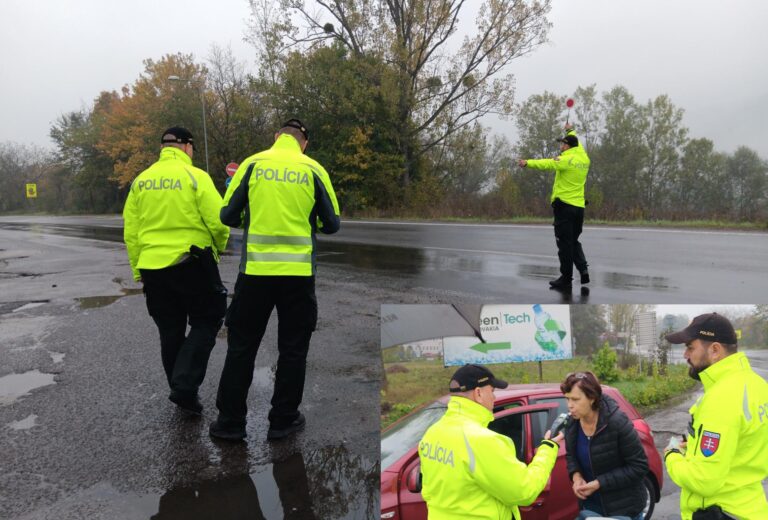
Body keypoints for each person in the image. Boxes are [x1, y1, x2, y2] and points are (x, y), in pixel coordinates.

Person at [209, 119, 340, 441]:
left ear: (276, 137)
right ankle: (283, 420)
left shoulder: (253, 165)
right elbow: (332, 224)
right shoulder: (313, 169)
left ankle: (230, 423)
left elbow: (226, 216)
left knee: (241, 347)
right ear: (303, 143)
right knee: (293, 350)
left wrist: (248, 219)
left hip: (254, 274)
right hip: (298, 277)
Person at [123, 126, 230, 414]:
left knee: (169, 331)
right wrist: (217, 251)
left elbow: (131, 232)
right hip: (191, 263)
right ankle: (184, 386)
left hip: (153, 268)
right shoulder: (196, 177)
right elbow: (219, 222)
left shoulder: (140, 182)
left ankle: (183, 394)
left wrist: (138, 270)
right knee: (207, 320)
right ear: (187, 147)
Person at [418, 364, 563, 520]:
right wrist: (547, 449)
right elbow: (524, 491)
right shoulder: (483, 440)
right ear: (478, 393)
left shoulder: (432, 433)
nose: (494, 398)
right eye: (492, 391)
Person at [663, 313, 768, 520]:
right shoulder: (756, 384)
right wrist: (693, 446)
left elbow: (704, 480)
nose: (685, 354)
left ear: (715, 350)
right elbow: (740, 447)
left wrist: (672, 454)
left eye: (691, 347)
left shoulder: (722, 398)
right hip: (750, 507)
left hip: (721, 512)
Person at [560, 371, 649, 520]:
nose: (570, 406)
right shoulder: (572, 423)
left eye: (575, 399)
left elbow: (639, 466)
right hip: (590, 507)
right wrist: (576, 476)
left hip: (624, 509)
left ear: (592, 398)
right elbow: (571, 456)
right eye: (567, 399)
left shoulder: (617, 422)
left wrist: (599, 483)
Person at [518, 123, 590, 291]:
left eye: (563, 144)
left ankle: (566, 279)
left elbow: (547, 163)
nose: (561, 146)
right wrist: (570, 130)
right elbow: (576, 142)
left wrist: (527, 163)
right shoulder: (583, 157)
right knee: (573, 240)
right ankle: (583, 269)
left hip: (564, 207)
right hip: (579, 208)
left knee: (564, 245)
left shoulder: (565, 160)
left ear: (568, 146)